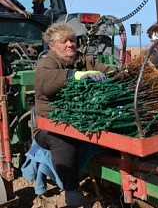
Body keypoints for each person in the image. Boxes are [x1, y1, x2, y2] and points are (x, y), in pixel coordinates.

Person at [33, 22, 114, 207]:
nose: (70, 44)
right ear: (52, 46)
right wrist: (73, 75)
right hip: (50, 127)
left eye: (72, 40)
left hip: (81, 121)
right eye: (64, 41)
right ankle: (72, 191)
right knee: (63, 138)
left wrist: (119, 75)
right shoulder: (48, 62)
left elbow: (106, 71)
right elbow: (43, 80)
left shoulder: (84, 59)